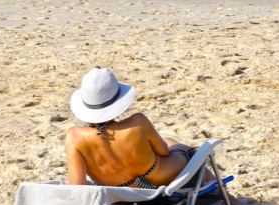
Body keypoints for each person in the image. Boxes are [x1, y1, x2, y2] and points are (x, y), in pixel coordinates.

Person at [65, 67, 203, 188]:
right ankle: (219, 197)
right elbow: (164, 152)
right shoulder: (138, 122)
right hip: (156, 179)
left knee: (168, 140)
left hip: (117, 189)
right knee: (187, 152)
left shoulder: (74, 137)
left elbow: (77, 185)